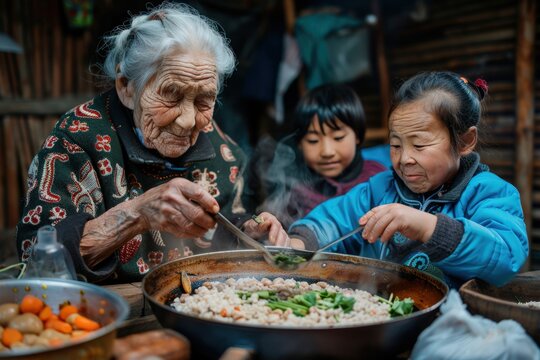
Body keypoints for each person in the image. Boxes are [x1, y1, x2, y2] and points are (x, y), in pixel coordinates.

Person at [16, 3, 287, 283]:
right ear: (127, 87)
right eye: (171, 95)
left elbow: (228, 233)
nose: (187, 120)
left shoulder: (222, 150)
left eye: (203, 100)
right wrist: (137, 214)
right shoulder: (76, 139)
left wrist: (249, 236)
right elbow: (35, 259)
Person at [283, 71, 528, 287]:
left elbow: (506, 258)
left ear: (464, 141)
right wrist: (294, 245)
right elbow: (333, 223)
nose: (404, 159)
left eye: (419, 144)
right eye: (395, 144)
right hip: (375, 315)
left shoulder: (490, 193)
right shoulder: (378, 190)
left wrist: (427, 227)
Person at [244, 83, 387, 229]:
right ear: (299, 144)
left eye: (338, 138)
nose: (327, 152)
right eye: (313, 140)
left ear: (357, 136)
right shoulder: (297, 190)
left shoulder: (378, 179)